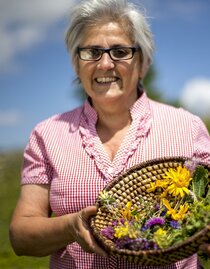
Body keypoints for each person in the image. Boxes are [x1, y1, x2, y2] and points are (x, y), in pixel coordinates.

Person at [9, 0, 210, 268]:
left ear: (143, 61)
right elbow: (21, 237)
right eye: (92, 52)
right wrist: (71, 226)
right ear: (76, 64)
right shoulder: (47, 135)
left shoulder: (187, 127)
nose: (105, 64)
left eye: (119, 51)